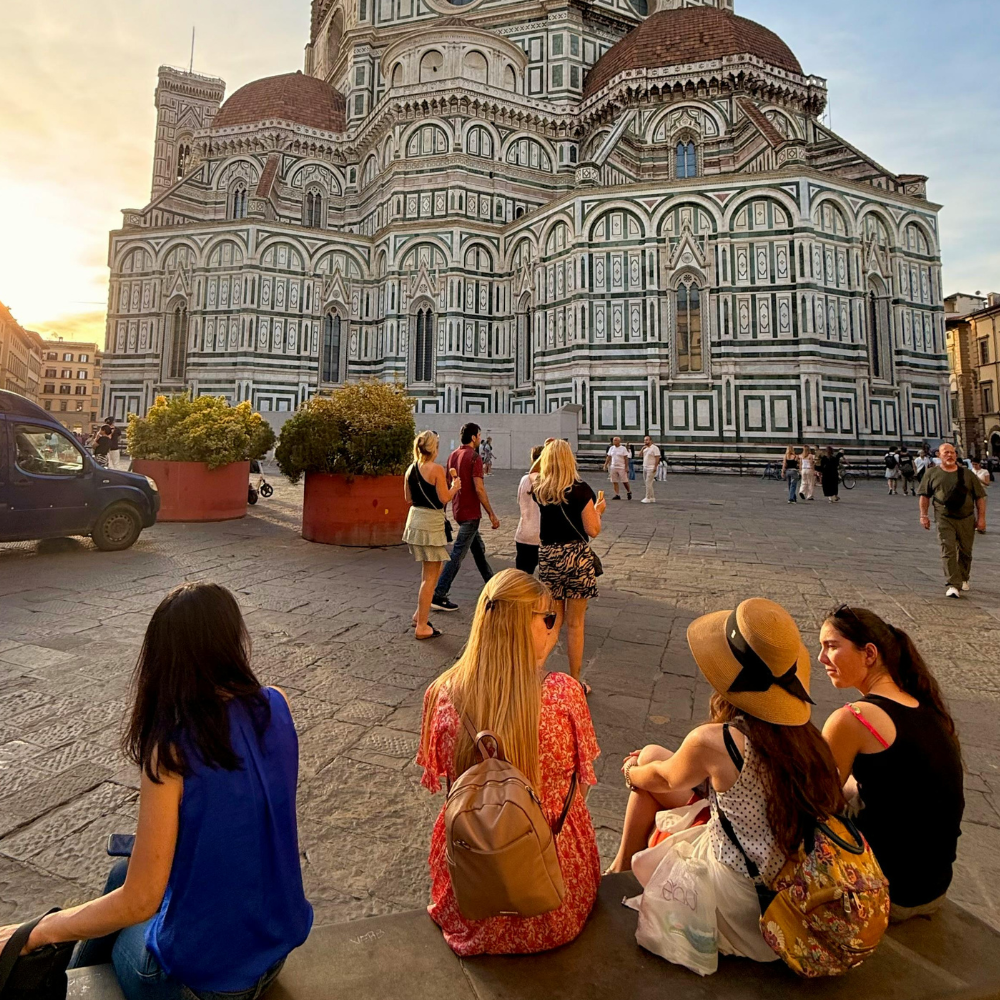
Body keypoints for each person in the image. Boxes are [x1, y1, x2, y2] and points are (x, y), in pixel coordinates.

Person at [0, 583, 313, 999]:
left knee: (122, 905)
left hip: (203, 985)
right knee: (118, 875)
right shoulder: (277, 704)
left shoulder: (171, 750)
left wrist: (34, 933)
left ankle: (71, 983)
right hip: (274, 953)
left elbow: (140, 901)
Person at [608, 598, 845, 970]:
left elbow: (664, 777)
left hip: (738, 899)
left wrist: (630, 771)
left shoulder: (717, 741)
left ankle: (618, 870)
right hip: (788, 890)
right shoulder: (807, 739)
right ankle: (620, 867)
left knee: (648, 762)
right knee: (656, 755)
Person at [417, 569, 601, 956]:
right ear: (522, 625)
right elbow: (580, 788)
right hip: (555, 894)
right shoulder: (564, 695)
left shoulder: (441, 695)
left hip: (470, 890)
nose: (556, 627)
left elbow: (449, 788)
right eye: (549, 617)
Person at [819, 606, 964, 922]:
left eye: (831, 646)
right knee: (852, 788)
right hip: (932, 890)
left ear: (869, 653)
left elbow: (816, 801)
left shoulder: (852, 718)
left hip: (887, 894)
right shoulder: (925, 708)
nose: (821, 658)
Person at [535, 439, 606, 689]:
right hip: (576, 556)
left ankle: (536, 669)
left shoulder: (540, 490)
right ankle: (575, 680)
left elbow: (534, 471)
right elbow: (593, 529)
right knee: (576, 624)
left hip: (549, 557)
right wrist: (598, 510)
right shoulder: (580, 489)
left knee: (554, 619)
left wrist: (545, 453)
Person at [432, 422, 500, 613]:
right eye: (479, 435)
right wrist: (492, 514)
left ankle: (492, 584)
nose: (480, 438)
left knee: (478, 551)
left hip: (458, 511)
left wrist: (443, 511)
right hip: (471, 513)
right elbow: (479, 488)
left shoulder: (453, 455)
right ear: (473, 437)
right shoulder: (474, 457)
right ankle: (439, 593)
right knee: (458, 553)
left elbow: (446, 485)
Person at [403, 431, 461, 640]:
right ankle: (422, 626)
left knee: (431, 571)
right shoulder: (437, 469)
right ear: (433, 447)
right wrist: (455, 487)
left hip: (415, 521)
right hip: (431, 523)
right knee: (429, 577)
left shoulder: (410, 469)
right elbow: (444, 497)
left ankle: (420, 614)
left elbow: (408, 497)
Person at [919, 442, 987, 598]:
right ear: (939, 455)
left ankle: (963, 577)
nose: (949, 455)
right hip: (944, 518)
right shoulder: (931, 473)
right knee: (947, 549)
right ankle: (952, 584)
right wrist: (924, 515)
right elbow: (924, 496)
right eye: (946, 452)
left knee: (965, 551)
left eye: (952, 452)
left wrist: (981, 519)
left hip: (966, 518)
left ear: (956, 455)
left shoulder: (967, 474)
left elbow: (980, 498)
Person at [514, 445, 545, 574]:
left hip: (524, 533)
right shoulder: (548, 481)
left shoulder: (524, 479)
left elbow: (519, 501)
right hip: (542, 535)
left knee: (522, 577)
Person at [604, 436, 631, 501]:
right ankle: (617, 494)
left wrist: (626, 467)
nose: (614, 441)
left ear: (619, 441)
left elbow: (626, 458)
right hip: (613, 466)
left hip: (621, 466)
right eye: (613, 440)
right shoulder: (611, 448)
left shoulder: (623, 448)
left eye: (615, 440)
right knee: (614, 481)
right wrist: (605, 464)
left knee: (624, 481)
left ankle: (628, 491)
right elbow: (609, 457)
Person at [640, 435, 661, 504]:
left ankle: (647, 497)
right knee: (648, 483)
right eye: (644, 440)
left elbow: (657, 457)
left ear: (651, 441)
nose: (645, 441)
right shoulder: (645, 448)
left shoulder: (655, 448)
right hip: (645, 466)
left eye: (647, 440)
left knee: (648, 482)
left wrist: (655, 466)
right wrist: (642, 449)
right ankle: (652, 497)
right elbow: (640, 455)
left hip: (651, 467)